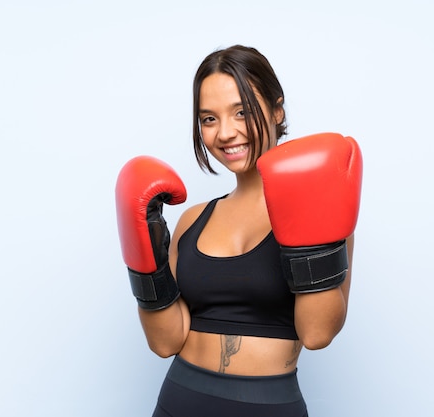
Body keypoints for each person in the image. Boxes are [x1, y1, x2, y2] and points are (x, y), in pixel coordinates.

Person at [115, 45, 363, 417]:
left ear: (277, 110)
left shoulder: (319, 207)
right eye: (209, 119)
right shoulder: (193, 220)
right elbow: (165, 342)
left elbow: (317, 333)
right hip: (178, 401)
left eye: (242, 112)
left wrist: (311, 235)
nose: (225, 133)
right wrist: (144, 261)